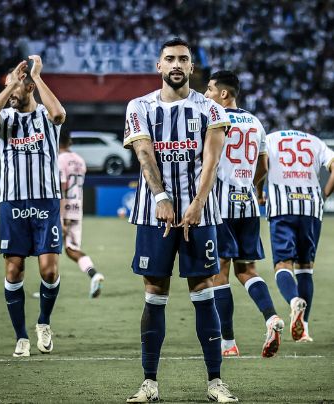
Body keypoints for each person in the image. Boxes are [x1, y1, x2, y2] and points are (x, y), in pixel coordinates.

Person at [121, 38, 237, 403]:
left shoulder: (212, 109)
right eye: (169, 58)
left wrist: (198, 204)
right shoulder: (138, 106)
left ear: (191, 68)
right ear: (159, 66)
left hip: (200, 215)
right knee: (155, 293)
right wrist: (162, 198)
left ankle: (215, 382)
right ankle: (149, 383)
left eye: (182, 59)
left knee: (204, 290)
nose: (176, 64)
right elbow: (144, 152)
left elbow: (211, 162)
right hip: (154, 214)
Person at [0, 55, 65, 357]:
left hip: (45, 202)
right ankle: (21, 337)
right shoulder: (5, 119)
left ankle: (43, 322)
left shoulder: (44, 116)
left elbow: (59, 115)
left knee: (49, 270)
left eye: (15, 87)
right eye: (7, 87)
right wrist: (9, 85)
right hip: (13, 202)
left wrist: (36, 78)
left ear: (28, 87)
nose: (10, 92)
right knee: (14, 270)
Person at [204, 70, 284, 358]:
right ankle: (271, 317)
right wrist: (251, 185)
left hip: (220, 205)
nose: (206, 95)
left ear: (224, 94)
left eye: (210, 89)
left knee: (220, 273)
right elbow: (264, 166)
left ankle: (228, 344)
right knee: (247, 270)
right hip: (248, 203)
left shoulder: (213, 117)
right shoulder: (255, 122)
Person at [260, 128, 334, 343]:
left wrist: (258, 192)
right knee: (305, 269)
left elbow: (261, 166)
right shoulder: (315, 141)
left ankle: (294, 301)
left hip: (283, 206)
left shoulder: (271, 139)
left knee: (282, 265)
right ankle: (304, 331)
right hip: (310, 209)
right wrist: (324, 194)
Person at [58, 134, 105, 298]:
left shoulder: (59, 159)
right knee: (72, 248)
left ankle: (49, 286)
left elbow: (61, 187)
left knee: (49, 248)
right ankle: (94, 275)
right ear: (69, 142)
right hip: (77, 207)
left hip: (63, 209)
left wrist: (60, 217)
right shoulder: (79, 160)